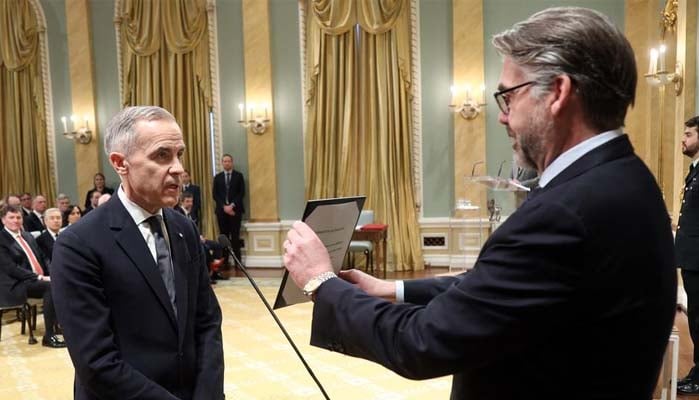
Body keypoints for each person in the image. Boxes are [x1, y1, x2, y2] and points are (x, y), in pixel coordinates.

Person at [283, 7, 676, 399]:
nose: (503, 118)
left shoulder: (566, 214)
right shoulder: (625, 178)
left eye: (508, 96)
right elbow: (497, 291)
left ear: (558, 92)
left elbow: (422, 343)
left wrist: (322, 281)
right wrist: (394, 290)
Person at [51, 106, 224, 399]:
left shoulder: (184, 228)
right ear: (121, 163)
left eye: (179, 154)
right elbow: (96, 363)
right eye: (162, 155)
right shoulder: (78, 244)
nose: (179, 168)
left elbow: (207, 322)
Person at [0, 205, 65, 348]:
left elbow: (42, 258)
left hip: (33, 280)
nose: (16, 220)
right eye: (11, 217)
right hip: (15, 284)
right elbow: (12, 269)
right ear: (3, 220)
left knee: (61, 282)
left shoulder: (27, 236)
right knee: (49, 287)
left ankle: (61, 325)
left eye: (18, 217)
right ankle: (48, 336)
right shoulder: (2, 240)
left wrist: (52, 274)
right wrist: (39, 277)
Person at [675, 116, 699, 394]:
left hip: (698, 258)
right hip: (693, 257)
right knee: (695, 315)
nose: (683, 138)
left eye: (689, 134)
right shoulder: (695, 171)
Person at [212, 154, 245, 265]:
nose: (227, 163)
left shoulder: (239, 176)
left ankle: (238, 263)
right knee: (224, 237)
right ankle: (225, 262)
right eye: (224, 161)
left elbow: (241, 193)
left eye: (228, 161)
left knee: (235, 237)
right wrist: (224, 207)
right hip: (222, 212)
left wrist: (232, 205)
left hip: (235, 211)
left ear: (232, 162)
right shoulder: (218, 177)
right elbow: (215, 195)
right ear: (222, 163)